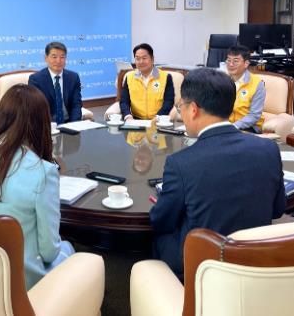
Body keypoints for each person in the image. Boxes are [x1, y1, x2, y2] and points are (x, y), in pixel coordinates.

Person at [150, 68, 285, 278]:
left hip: (204, 264)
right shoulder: (268, 149)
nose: (181, 113)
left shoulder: (180, 163)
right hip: (255, 253)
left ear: (193, 109)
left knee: (156, 237)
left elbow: (161, 221)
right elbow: (277, 210)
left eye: (180, 106)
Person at [0, 84, 74, 289]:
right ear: (42, 123)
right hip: (24, 284)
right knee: (70, 249)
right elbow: (49, 253)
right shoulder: (44, 172)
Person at [29, 42, 82, 124]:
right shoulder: (36, 79)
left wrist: (74, 124)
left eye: (62, 57)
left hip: (69, 122)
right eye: (54, 57)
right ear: (46, 58)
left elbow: (76, 105)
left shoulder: (73, 77)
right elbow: (36, 108)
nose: (58, 61)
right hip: (47, 124)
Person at [120, 43, 175, 120]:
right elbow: (124, 101)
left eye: (144, 58)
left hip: (158, 119)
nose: (141, 62)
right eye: (137, 59)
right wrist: (128, 116)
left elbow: (169, 101)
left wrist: (158, 117)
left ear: (152, 59)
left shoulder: (165, 77)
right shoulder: (129, 77)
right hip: (136, 120)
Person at [224, 45, 265, 133]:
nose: (231, 64)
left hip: (249, 127)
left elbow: (254, 115)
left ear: (246, 64)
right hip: (227, 125)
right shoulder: (223, 80)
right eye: (228, 60)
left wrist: (234, 126)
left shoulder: (257, 83)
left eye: (235, 61)